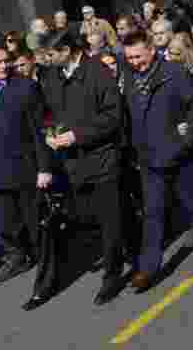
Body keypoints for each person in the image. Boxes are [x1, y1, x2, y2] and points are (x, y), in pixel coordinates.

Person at [119, 29, 193, 293]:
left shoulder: (174, 73)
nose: (134, 62)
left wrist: (186, 141)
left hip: (177, 153)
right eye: (129, 58)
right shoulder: (129, 77)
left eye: (138, 56)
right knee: (152, 213)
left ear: (151, 50)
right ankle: (148, 268)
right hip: (148, 158)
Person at [38, 31, 125, 309]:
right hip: (73, 163)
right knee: (89, 216)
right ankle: (133, 244)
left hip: (102, 159)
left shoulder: (98, 72)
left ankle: (112, 275)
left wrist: (78, 135)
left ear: (67, 50)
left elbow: (113, 116)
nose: (48, 60)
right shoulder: (53, 76)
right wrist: (49, 132)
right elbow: (49, 112)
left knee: (109, 220)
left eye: (52, 54)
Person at [0, 44, 53, 289]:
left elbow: (39, 131)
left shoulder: (25, 87)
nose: (4, 66)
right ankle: (19, 256)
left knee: (35, 222)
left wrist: (44, 168)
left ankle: (46, 268)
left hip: (25, 169)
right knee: (5, 223)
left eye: (6, 61)